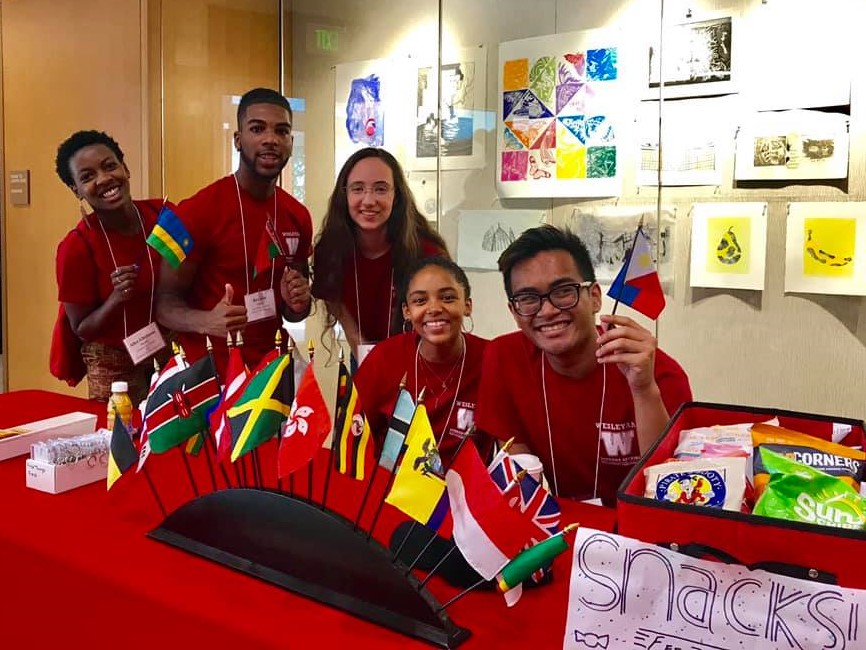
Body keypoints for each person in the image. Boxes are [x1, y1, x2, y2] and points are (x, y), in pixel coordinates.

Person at [476, 225, 692, 506]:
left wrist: (643, 389)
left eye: (563, 291)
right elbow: (521, 468)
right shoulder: (503, 357)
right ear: (514, 312)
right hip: (558, 529)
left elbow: (670, 485)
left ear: (595, 297)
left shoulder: (658, 373)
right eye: (528, 299)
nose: (548, 310)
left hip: (639, 532)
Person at [155, 88, 312, 378]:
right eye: (257, 129)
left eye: (282, 131)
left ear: (291, 142)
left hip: (270, 372)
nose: (270, 139)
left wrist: (299, 302)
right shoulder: (196, 211)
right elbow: (163, 305)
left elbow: (295, 312)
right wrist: (207, 321)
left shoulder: (298, 215)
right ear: (238, 140)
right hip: (209, 373)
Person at [54, 130, 170, 405]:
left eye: (109, 166)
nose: (104, 179)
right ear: (76, 190)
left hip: (166, 348)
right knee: (119, 442)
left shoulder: (163, 217)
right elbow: (82, 328)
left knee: (176, 437)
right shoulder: (76, 246)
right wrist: (115, 300)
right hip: (112, 359)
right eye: (87, 177)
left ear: (125, 168)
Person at [311, 147, 447, 363]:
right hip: (363, 355)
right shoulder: (330, 250)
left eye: (381, 189)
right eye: (357, 189)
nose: (368, 200)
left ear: (397, 196)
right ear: (344, 194)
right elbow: (336, 303)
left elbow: (440, 317)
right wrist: (361, 349)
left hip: (420, 357)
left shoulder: (426, 253)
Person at [354, 256, 490, 464]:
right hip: (394, 489)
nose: (434, 308)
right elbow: (353, 437)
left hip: (466, 491)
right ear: (407, 311)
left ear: (467, 305)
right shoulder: (384, 358)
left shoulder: (491, 358)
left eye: (447, 298)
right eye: (420, 301)